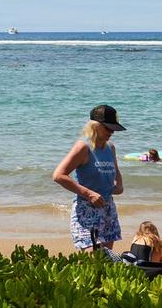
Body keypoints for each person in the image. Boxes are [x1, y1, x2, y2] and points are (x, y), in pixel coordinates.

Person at [51, 103, 126, 253]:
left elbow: (116, 170)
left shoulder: (110, 147)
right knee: (91, 258)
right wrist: (88, 193)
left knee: (106, 259)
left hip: (108, 209)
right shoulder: (83, 147)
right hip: (86, 210)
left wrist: (119, 185)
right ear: (95, 125)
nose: (112, 132)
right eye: (108, 128)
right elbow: (58, 175)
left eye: (114, 128)